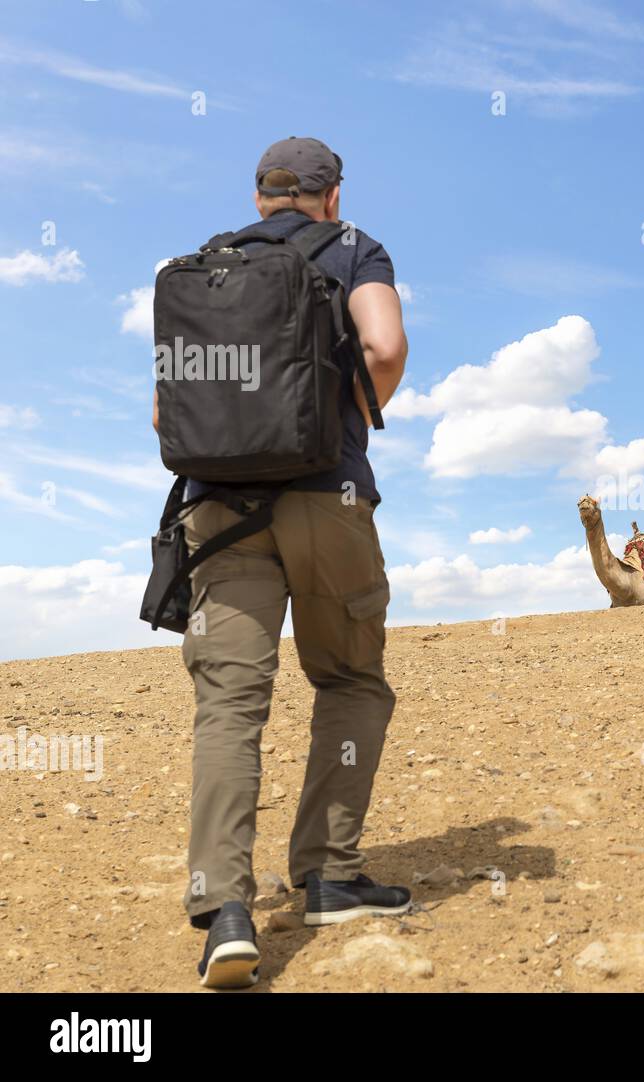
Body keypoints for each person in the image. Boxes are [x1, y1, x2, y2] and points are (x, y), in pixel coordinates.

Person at [152, 137, 411, 989]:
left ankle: (225, 909)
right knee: (349, 679)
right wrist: (343, 416)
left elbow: (166, 410)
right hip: (327, 497)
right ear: (331, 195)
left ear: (259, 195)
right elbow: (384, 348)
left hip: (219, 509)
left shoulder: (205, 267)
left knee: (229, 706)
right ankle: (330, 876)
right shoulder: (352, 250)